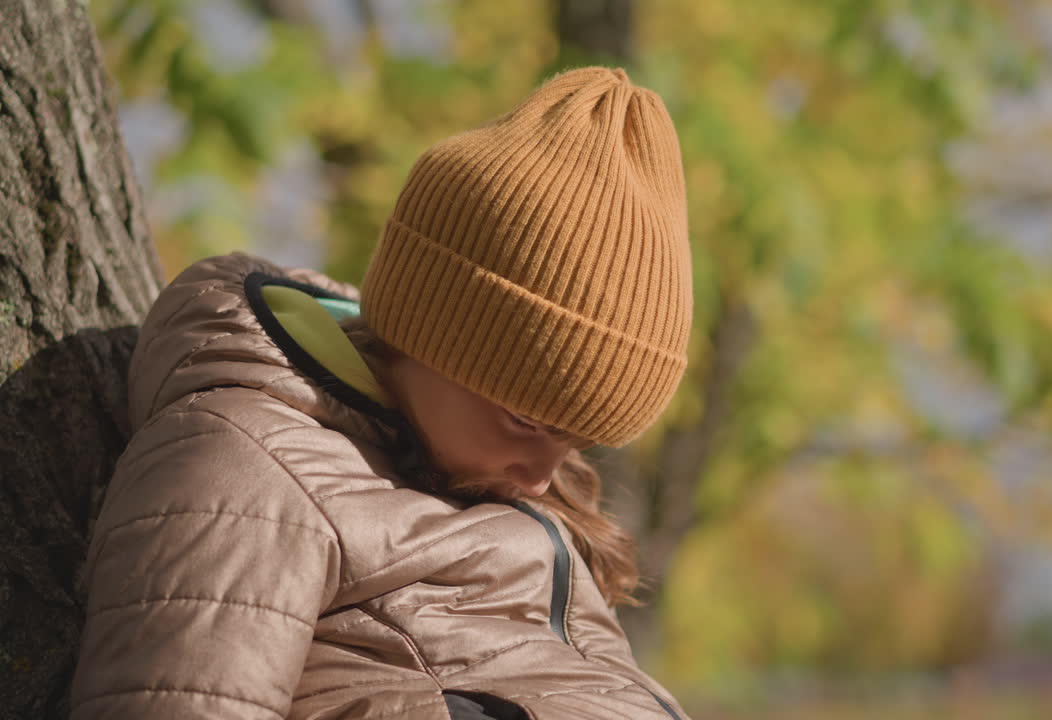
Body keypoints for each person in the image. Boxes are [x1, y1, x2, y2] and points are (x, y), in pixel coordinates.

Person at [70, 66, 693, 720]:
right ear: (430, 330)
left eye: (576, 442)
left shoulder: (494, 482)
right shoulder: (249, 465)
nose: (542, 478)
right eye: (526, 420)